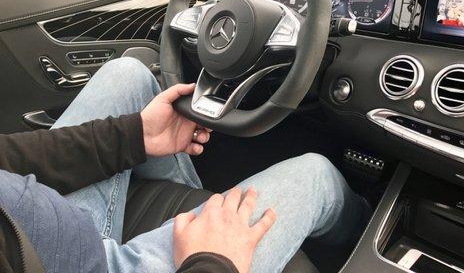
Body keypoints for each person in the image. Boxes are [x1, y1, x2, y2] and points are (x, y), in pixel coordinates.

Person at [0, 57, 370, 273]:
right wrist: (212, 261)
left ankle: (198, 200)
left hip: (37, 221)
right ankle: (363, 237)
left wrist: (132, 137)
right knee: (315, 175)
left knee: (126, 72)